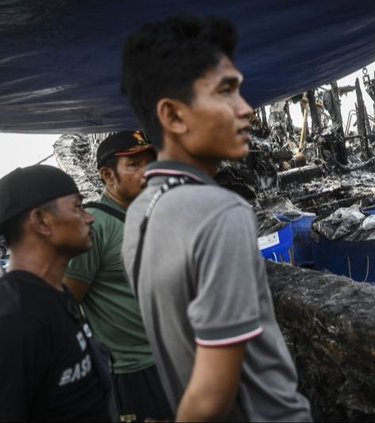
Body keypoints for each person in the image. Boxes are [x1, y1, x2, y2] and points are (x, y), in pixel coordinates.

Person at [121, 15, 312, 421]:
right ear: (173, 117)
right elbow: (210, 396)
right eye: (226, 91)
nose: (247, 110)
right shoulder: (221, 212)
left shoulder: (139, 212)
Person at [63, 130, 171, 422]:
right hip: (134, 371)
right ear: (108, 176)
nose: (147, 172)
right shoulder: (95, 226)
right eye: (134, 165)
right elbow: (68, 303)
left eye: (150, 162)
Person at [0, 165, 111, 421]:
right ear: (41, 221)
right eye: (77, 207)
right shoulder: (14, 319)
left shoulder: (57, 294)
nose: (89, 217)